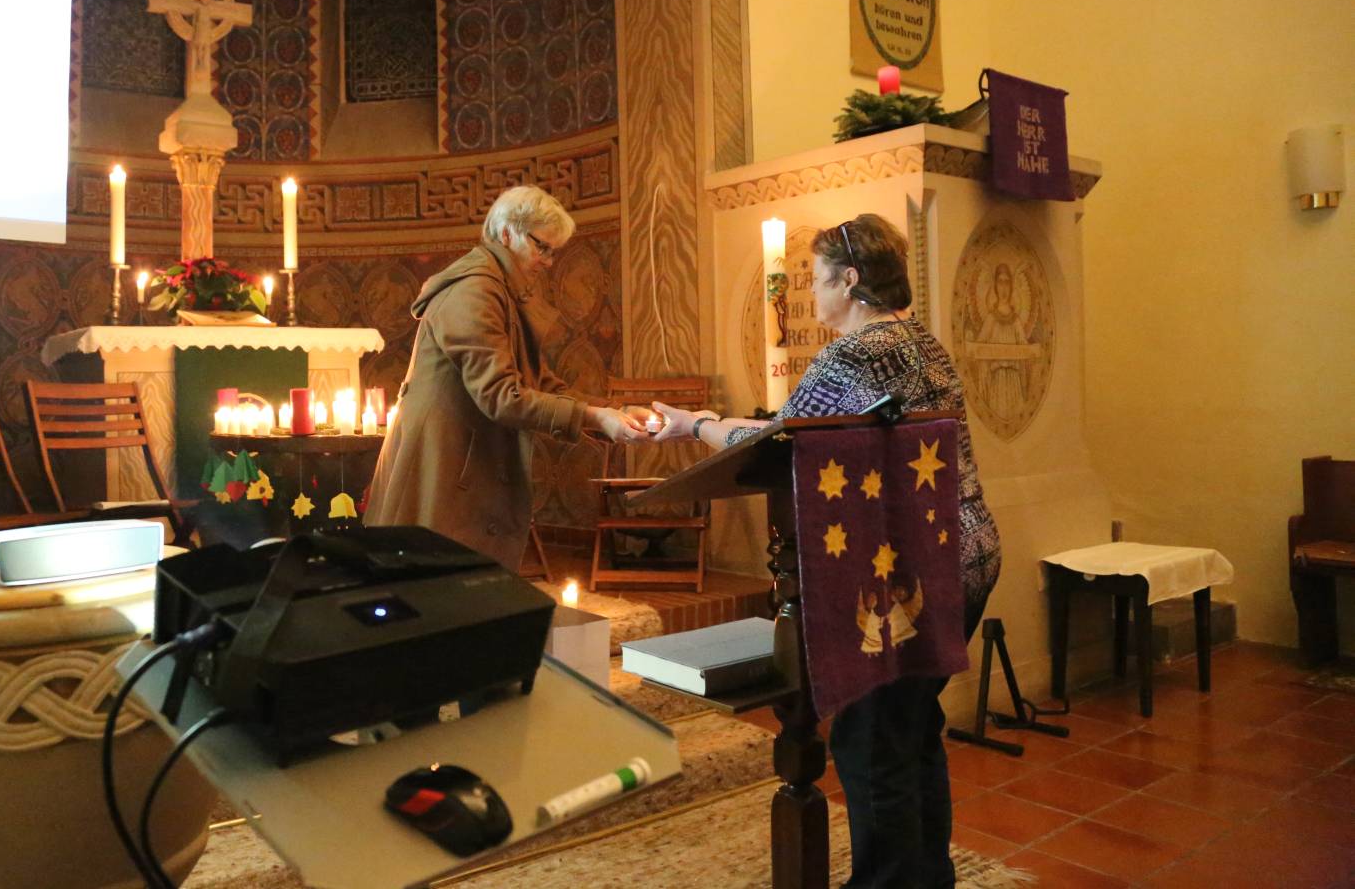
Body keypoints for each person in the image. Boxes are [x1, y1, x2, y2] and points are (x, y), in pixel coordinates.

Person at [653, 214, 999, 889]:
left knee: (871, 742)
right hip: (968, 555)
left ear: (850, 279)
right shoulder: (925, 342)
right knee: (913, 728)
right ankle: (928, 878)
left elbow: (771, 442)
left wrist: (689, 424)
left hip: (910, 577)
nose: (812, 294)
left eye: (817, 279)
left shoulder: (853, 356)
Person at [366, 185, 646, 570]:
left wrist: (615, 412)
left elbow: (539, 384)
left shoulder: (499, 288)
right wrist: (596, 418)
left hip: (462, 465)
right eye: (542, 247)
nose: (548, 261)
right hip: (443, 472)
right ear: (506, 234)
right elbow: (501, 396)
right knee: (440, 602)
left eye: (553, 251)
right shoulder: (474, 291)